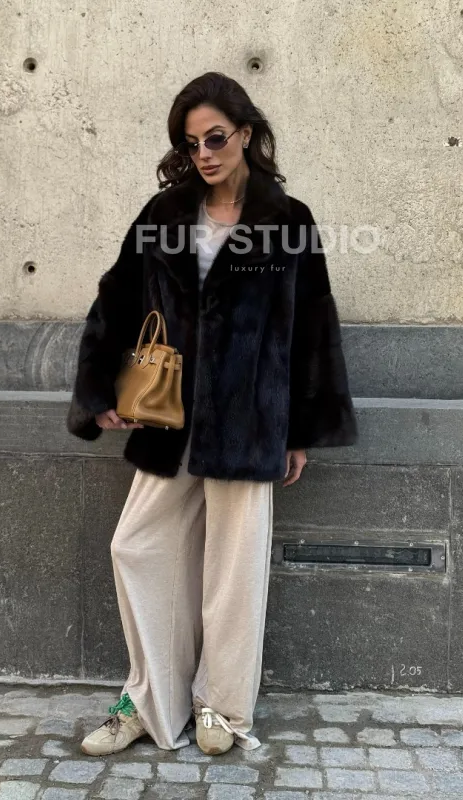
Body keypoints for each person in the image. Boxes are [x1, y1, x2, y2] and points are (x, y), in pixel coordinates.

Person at [67, 71, 358, 756]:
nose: (203, 152)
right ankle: (150, 700)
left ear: (246, 135)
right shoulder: (164, 214)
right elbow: (117, 299)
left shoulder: (287, 220)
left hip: (250, 418)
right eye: (191, 142)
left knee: (234, 570)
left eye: (216, 138)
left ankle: (221, 709)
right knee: (137, 546)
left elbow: (312, 329)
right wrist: (97, 390)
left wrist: (298, 431)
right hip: (168, 416)